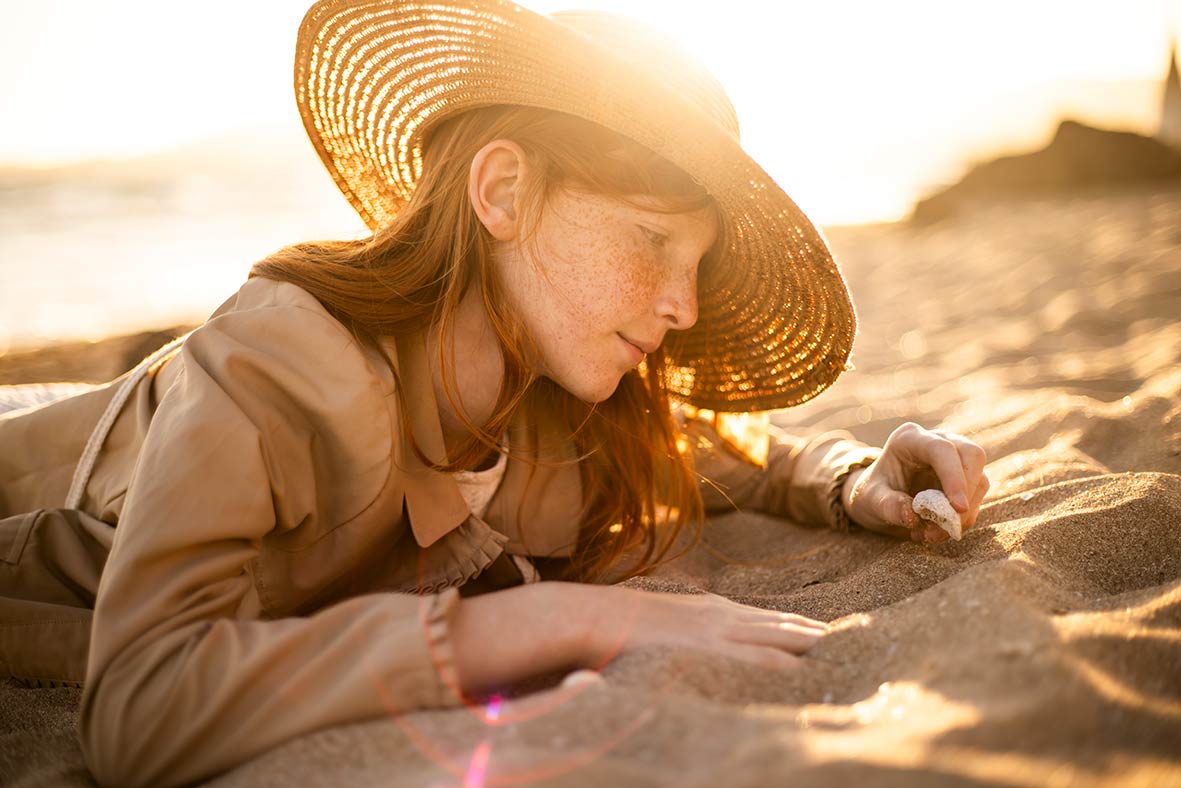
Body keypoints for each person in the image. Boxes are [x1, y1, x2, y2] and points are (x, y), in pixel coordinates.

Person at [0, 1, 989, 785]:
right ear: (503, 192)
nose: (682, 304)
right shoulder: (278, 367)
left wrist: (853, 476)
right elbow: (136, 710)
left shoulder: (550, 404)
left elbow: (714, 449)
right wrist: (555, 619)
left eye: (694, 262)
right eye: (651, 241)